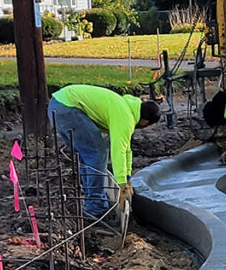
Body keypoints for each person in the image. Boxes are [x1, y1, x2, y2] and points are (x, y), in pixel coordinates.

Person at [48, 85, 161, 218]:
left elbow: (126, 150)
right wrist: (122, 184)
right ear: (145, 121)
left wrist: (128, 178)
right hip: (68, 107)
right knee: (97, 155)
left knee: (86, 156)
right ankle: (95, 207)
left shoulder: (125, 107)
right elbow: (118, 151)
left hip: (59, 104)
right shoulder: (125, 117)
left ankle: (92, 200)